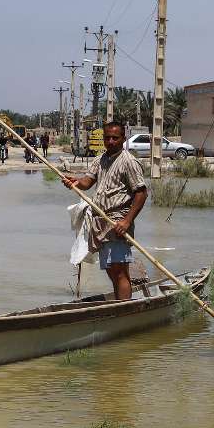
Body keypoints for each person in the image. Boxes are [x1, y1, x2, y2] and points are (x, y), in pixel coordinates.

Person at [61, 121, 146, 300]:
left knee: (120, 271)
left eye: (115, 138)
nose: (111, 141)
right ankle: (118, 305)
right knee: (111, 271)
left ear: (123, 139)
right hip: (100, 222)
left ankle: (124, 311)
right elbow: (87, 182)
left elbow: (141, 193)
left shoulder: (128, 161)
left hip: (118, 222)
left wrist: (127, 221)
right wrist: (74, 182)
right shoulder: (101, 159)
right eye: (107, 137)